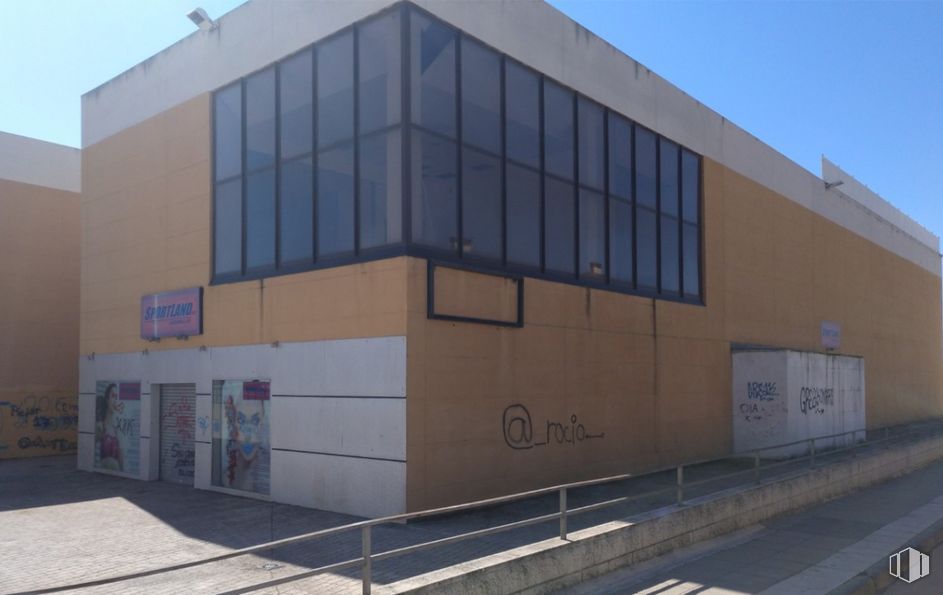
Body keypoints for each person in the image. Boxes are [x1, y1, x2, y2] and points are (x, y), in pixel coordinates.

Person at [95, 383, 124, 471]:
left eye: (117, 397)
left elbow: (121, 461)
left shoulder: (117, 428)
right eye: (113, 396)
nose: (116, 400)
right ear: (107, 399)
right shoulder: (101, 425)